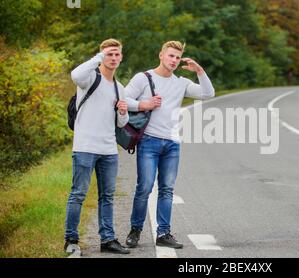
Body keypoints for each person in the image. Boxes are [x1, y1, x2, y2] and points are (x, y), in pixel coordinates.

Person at [124, 41, 215, 249]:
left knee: (167, 189)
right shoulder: (143, 78)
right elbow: (122, 99)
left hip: (172, 144)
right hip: (148, 141)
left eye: (177, 57)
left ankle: (163, 233)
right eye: (170, 56)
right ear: (161, 55)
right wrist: (143, 104)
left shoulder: (181, 83)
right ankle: (135, 230)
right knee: (145, 187)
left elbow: (208, 94)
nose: (174, 60)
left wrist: (200, 71)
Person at [64, 38, 130, 255]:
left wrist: (122, 111)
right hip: (85, 147)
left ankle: (108, 239)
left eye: (116, 54)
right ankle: (71, 240)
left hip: (109, 150)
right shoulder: (89, 78)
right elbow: (75, 74)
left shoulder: (119, 87)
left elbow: (122, 123)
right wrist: (98, 57)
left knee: (107, 197)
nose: (113, 58)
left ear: (121, 57)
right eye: (109, 54)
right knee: (78, 194)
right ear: (101, 55)